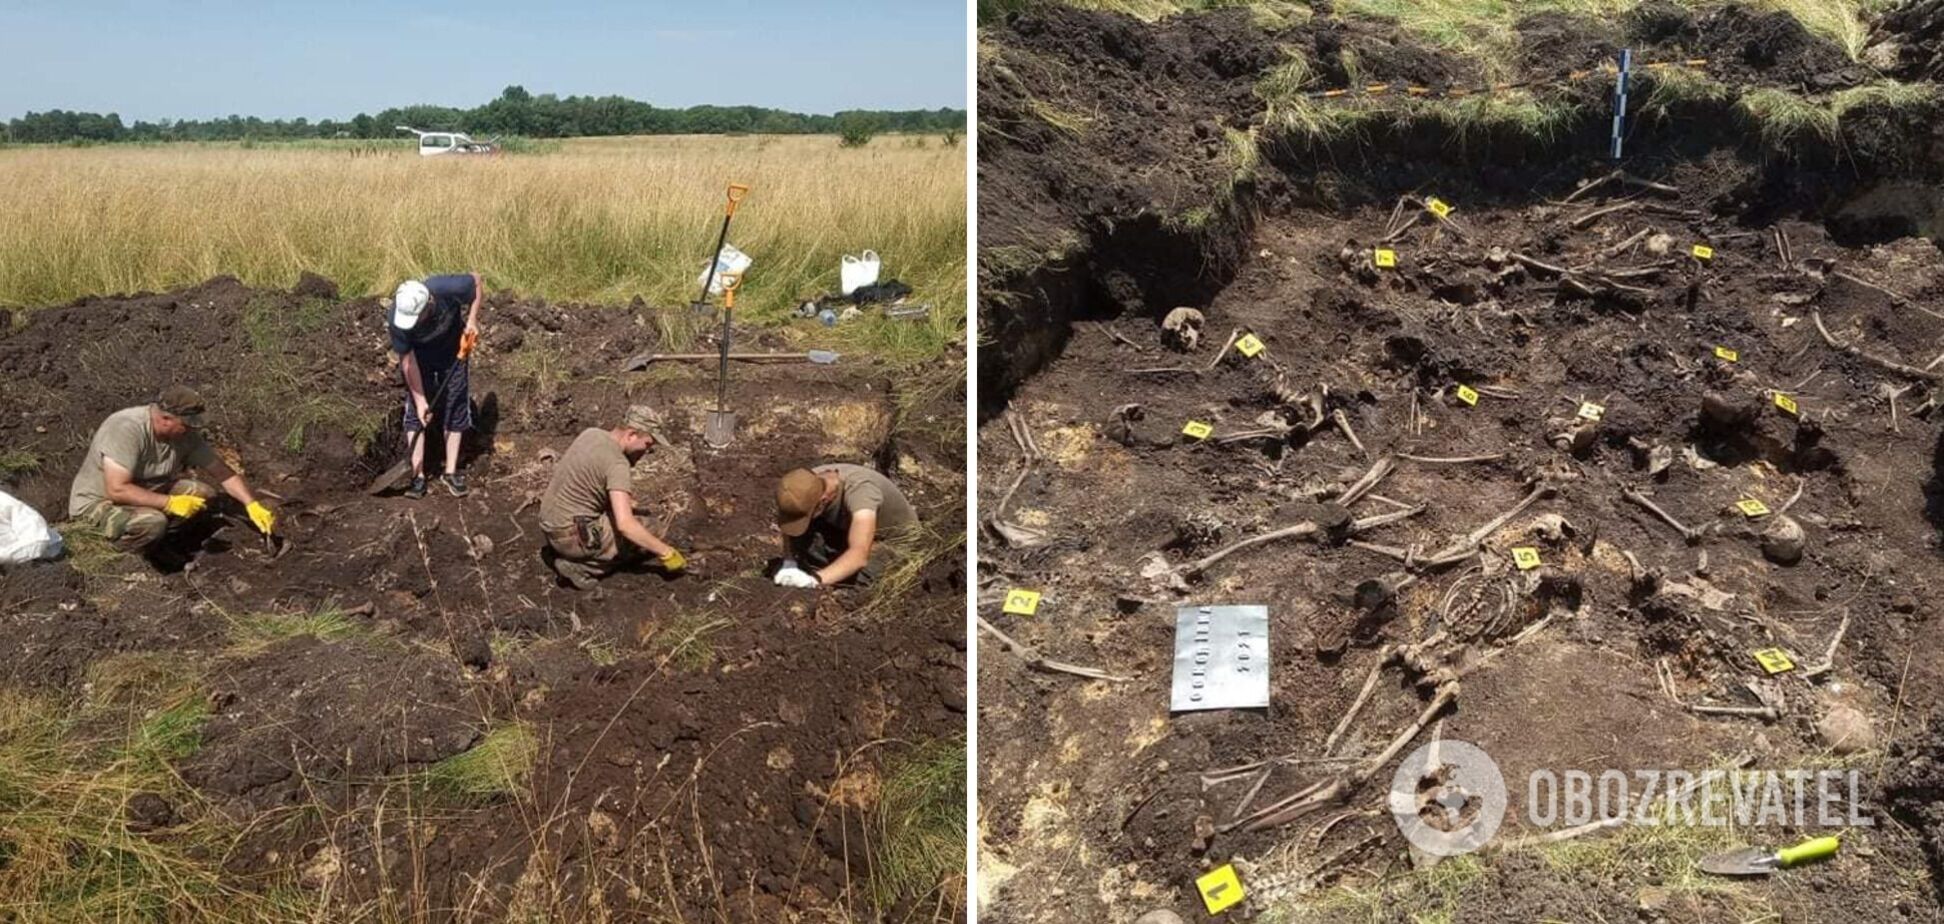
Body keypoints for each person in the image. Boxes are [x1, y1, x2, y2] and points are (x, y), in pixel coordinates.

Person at [68, 385, 277, 554]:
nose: (192, 430)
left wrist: (251, 504)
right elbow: (117, 489)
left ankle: (163, 542)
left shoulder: (184, 435)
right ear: (165, 418)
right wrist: (169, 503)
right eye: (186, 424)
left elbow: (221, 471)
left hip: (145, 492)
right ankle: (119, 555)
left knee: (202, 494)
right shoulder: (126, 428)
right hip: (98, 503)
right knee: (152, 523)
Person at [538, 405, 688, 589]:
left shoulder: (591, 434)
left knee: (630, 515)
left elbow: (589, 480)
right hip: (571, 537)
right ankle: (583, 567)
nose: (647, 451)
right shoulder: (617, 463)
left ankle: (566, 551)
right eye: (647, 444)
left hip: (550, 525)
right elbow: (626, 526)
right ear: (631, 434)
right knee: (652, 528)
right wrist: (666, 553)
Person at [390, 272, 482, 498]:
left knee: (456, 402)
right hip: (420, 359)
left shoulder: (447, 287)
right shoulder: (397, 317)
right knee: (415, 411)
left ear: (428, 305)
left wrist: (472, 320)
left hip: (454, 351)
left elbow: (477, 281)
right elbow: (408, 362)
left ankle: (450, 472)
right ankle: (418, 475)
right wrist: (421, 401)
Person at [772, 463, 916, 588]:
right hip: (847, 530)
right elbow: (790, 522)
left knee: (864, 575)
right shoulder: (803, 484)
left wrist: (814, 580)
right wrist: (789, 561)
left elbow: (859, 553)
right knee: (803, 543)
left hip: (894, 542)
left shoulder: (861, 492)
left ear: (823, 501)